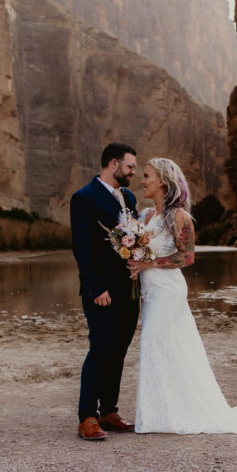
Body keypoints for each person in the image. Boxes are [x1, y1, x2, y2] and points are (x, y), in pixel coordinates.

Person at [127, 158, 237, 434]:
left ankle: (170, 414)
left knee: (156, 341)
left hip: (169, 291)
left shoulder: (180, 217)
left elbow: (187, 257)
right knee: (161, 347)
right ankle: (160, 413)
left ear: (163, 181)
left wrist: (147, 264)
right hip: (151, 290)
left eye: (146, 176)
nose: (142, 181)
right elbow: (141, 250)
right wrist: (134, 262)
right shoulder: (146, 216)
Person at [70, 142, 140, 441]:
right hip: (102, 290)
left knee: (119, 350)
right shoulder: (84, 197)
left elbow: (134, 240)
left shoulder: (129, 197)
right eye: (130, 166)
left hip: (128, 289)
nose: (133, 172)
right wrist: (95, 287)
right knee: (100, 348)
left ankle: (109, 410)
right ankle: (87, 416)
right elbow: (82, 247)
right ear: (113, 164)